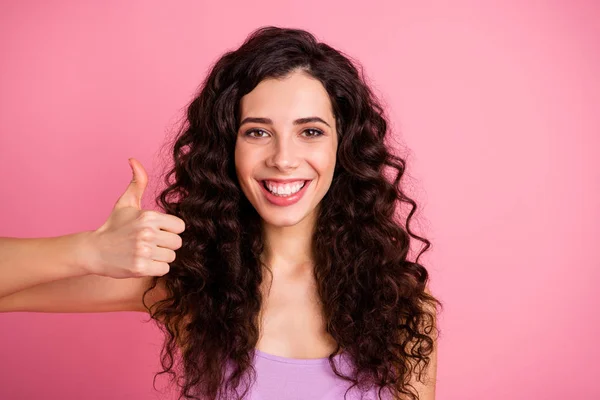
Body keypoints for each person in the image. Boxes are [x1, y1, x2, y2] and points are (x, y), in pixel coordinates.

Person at [0, 26, 442, 400]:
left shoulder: (403, 309)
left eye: (310, 131)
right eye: (257, 132)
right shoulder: (191, 281)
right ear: (228, 148)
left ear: (343, 147)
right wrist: (89, 250)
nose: (284, 158)